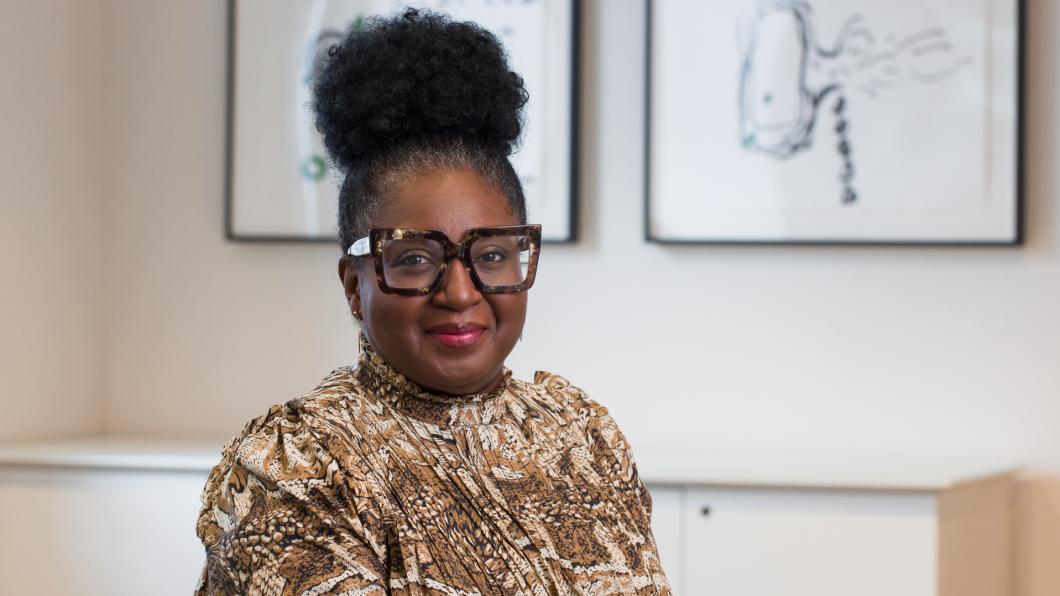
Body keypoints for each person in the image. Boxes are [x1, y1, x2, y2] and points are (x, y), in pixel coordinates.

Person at [195, 8, 671, 595]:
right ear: (354, 284)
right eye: (416, 259)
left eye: (492, 255)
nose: (461, 292)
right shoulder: (297, 467)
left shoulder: (581, 434)